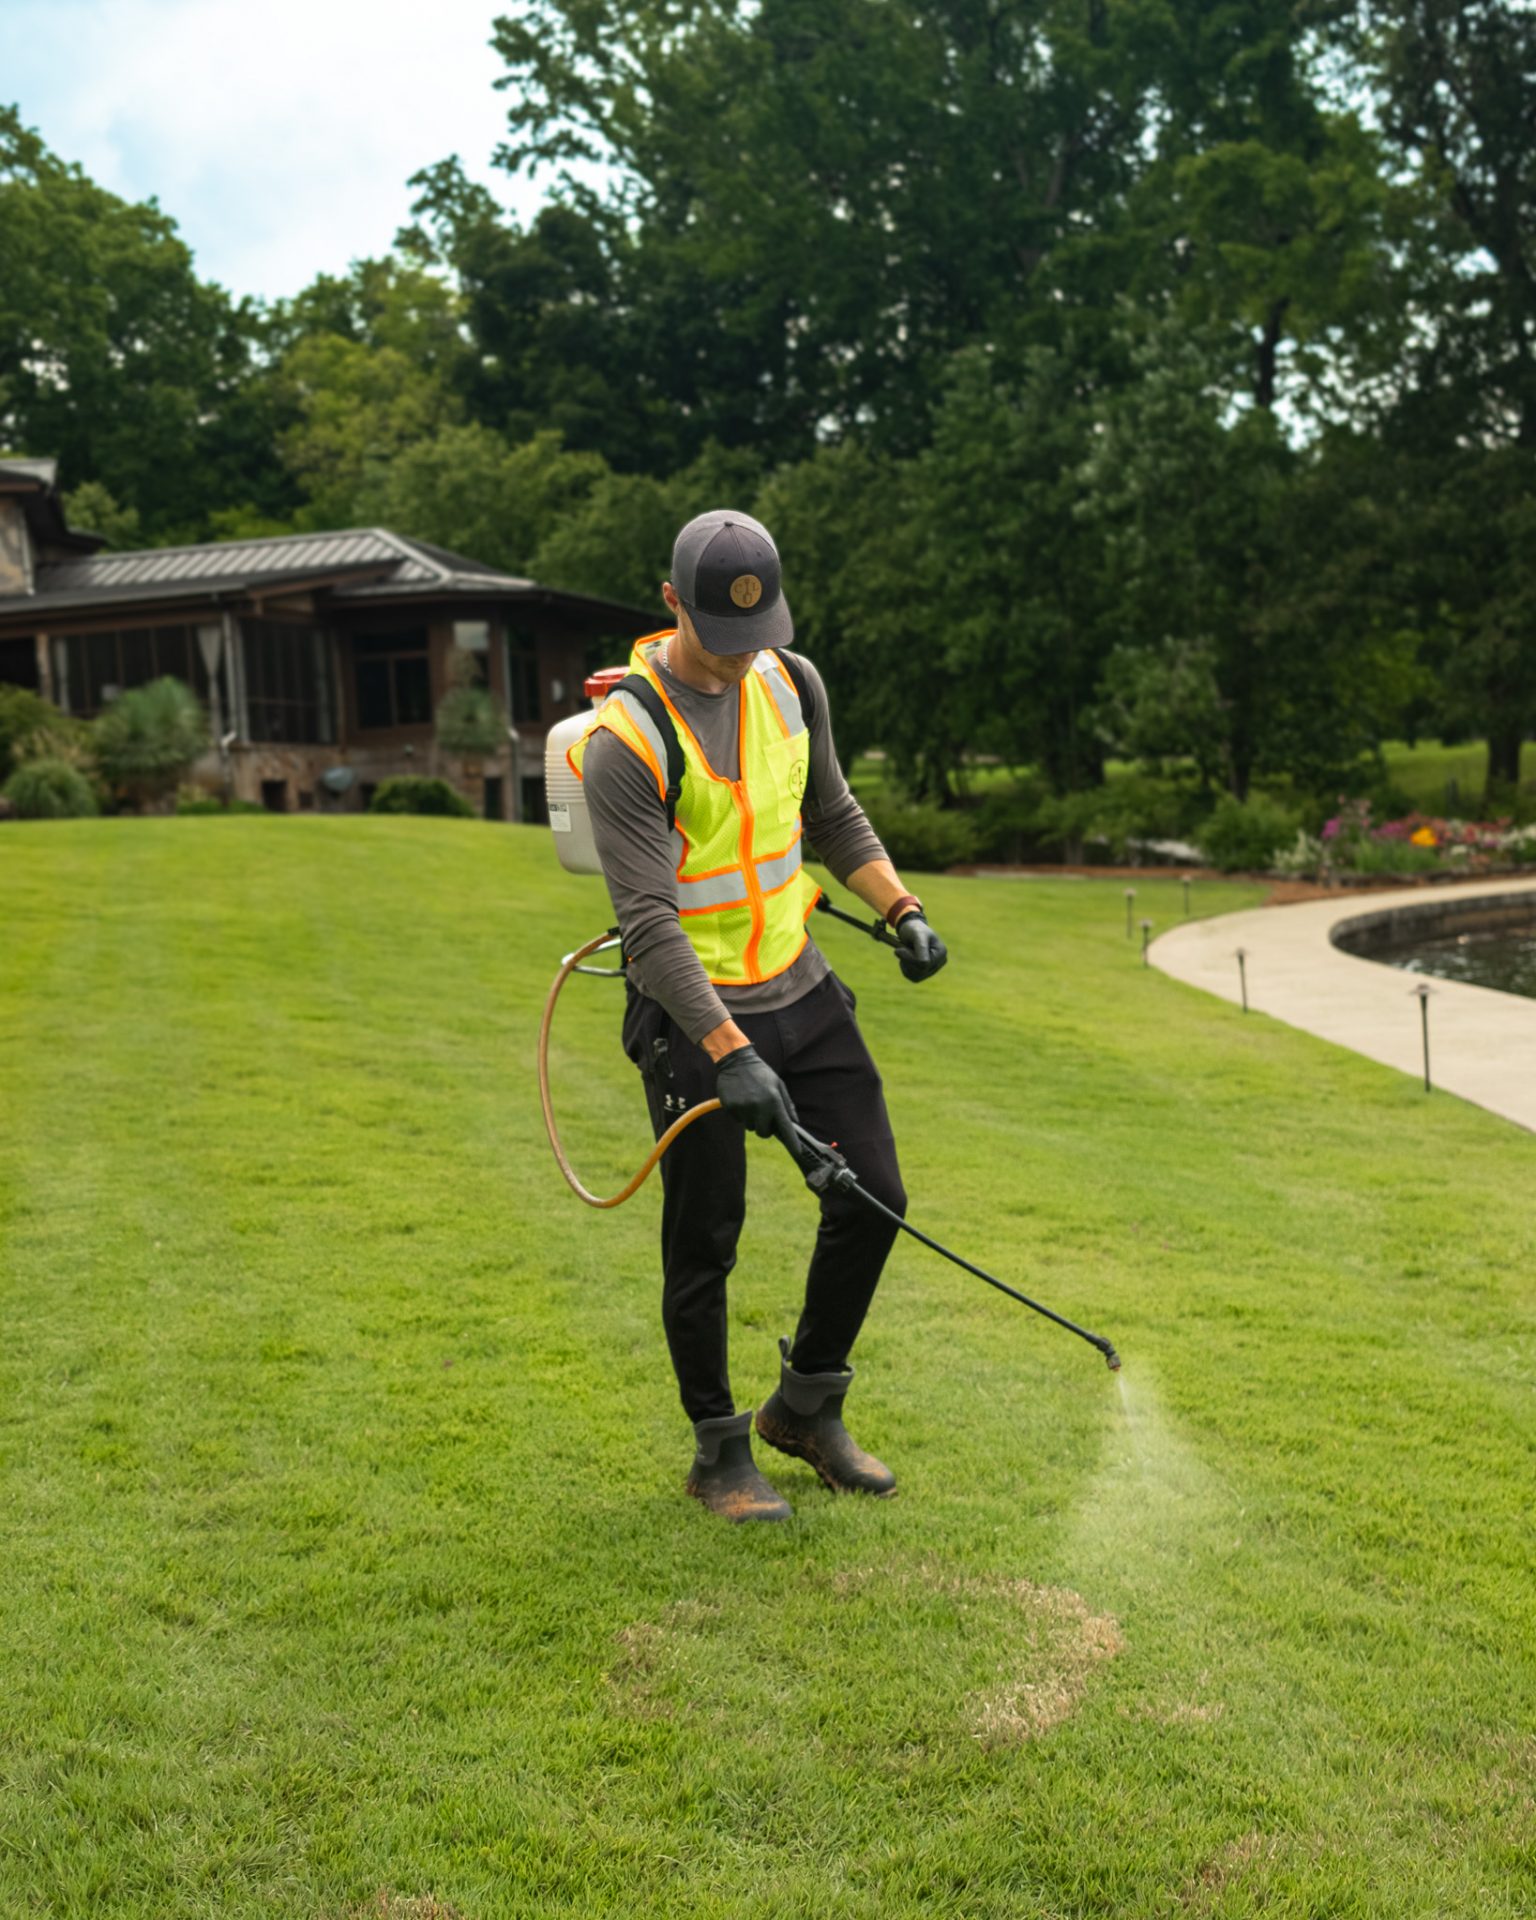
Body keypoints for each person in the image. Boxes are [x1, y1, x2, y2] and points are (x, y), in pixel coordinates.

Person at [568, 509, 947, 1521]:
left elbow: (830, 812)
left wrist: (899, 908)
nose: (743, 662)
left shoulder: (792, 678)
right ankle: (718, 1450)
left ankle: (807, 1407)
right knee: (707, 1238)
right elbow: (648, 923)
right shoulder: (626, 741)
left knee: (874, 1194)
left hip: (799, 980)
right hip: (691, 1013)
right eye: (723, 640)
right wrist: (725, 1051)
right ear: (671, 605)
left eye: (758, 637)